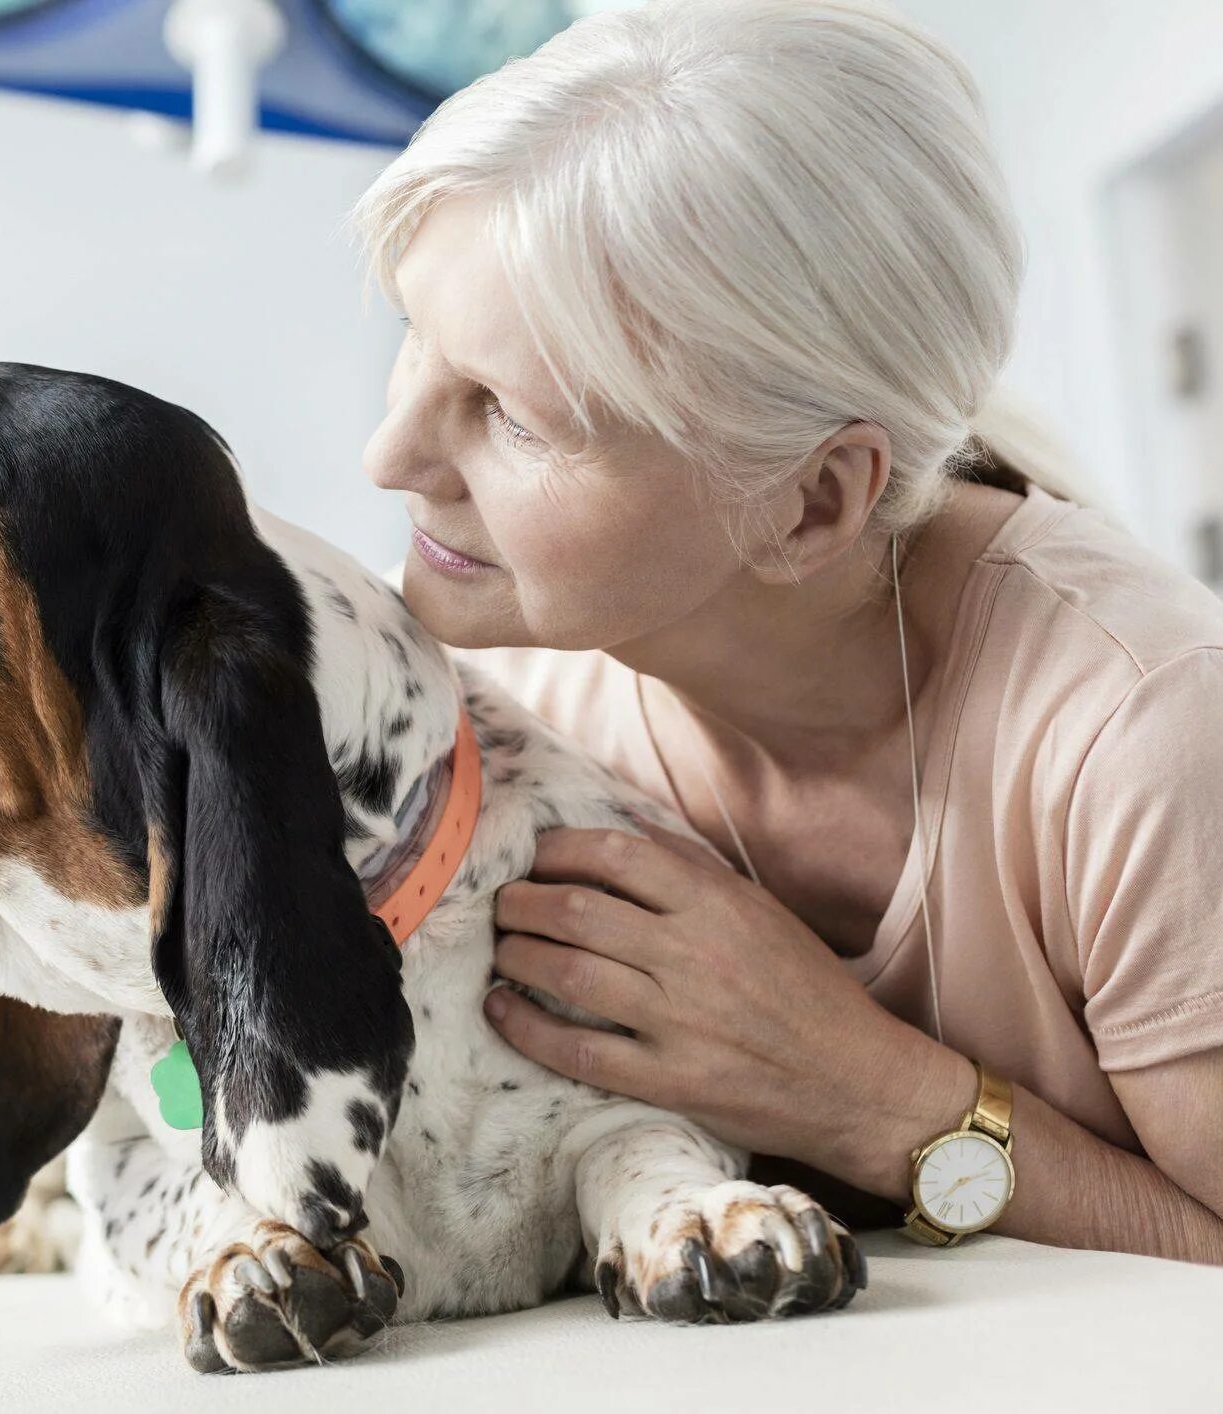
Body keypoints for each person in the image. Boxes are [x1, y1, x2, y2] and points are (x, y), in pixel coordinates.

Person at [352, 0, 1223, 1261]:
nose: (390, 456)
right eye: (412, 343)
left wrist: (871, 1095)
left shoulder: (1145, 733)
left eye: (513, 412)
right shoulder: (469, 692)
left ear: (812, 500)